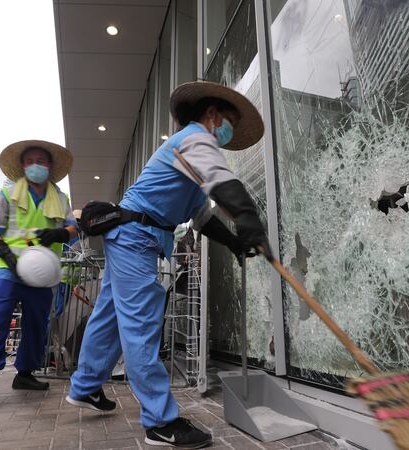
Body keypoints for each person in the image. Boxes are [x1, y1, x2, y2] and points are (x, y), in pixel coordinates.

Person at [67, 81, 270, 448]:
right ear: (211, 116)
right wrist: (251, 223)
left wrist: (237, 243)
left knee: (111, 315)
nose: (226, 133)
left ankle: (84, 386)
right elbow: (224, 185)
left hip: (131, 237)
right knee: (141, 325)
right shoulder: (195, 138)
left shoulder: (188, 160)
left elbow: (202, 217)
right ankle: (161, 422)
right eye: (227, 122)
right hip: (135, 238)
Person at [0, 140, 78, 410]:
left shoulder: (61, 198)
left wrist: (60, 233)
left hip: (42, 270)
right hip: (8, 268)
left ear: (50, 166)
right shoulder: (8, 195)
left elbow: (72, 227)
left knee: (36, 323)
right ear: (22, 166)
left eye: (41, 161)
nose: (35, 166)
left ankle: (25, 374)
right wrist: (0, 247)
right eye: (30, 161)